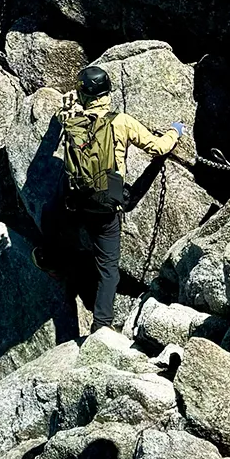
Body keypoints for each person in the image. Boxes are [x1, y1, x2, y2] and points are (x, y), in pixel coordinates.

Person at [41, 63, 183, 336]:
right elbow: (158, 147)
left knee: (52, 210)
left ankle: (52, 261)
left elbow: (59, 120)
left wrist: (69, 104)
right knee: (108, 269)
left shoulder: (73, 118)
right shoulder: (121, 121)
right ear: (107, 92)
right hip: (107, 204)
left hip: (76, 200)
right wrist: (175, 131)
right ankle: (101, 327)